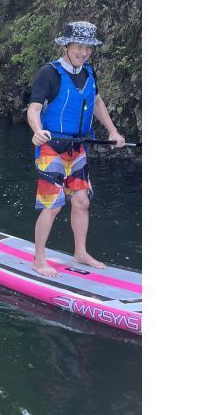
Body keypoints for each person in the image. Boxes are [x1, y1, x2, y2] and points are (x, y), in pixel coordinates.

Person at [26, 21, 126, 277]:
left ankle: (80, 252)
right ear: (66, 45)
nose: (83, 52)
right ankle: (39, 260)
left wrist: (113, 131)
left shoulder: (89, 72)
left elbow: (96, 102)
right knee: (53, 205)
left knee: (81, 202)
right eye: (79, 46)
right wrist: (37, 131)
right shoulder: (49, 73)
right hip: (51, 147)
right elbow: (34, 109)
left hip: (77, 148)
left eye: (88, 48)